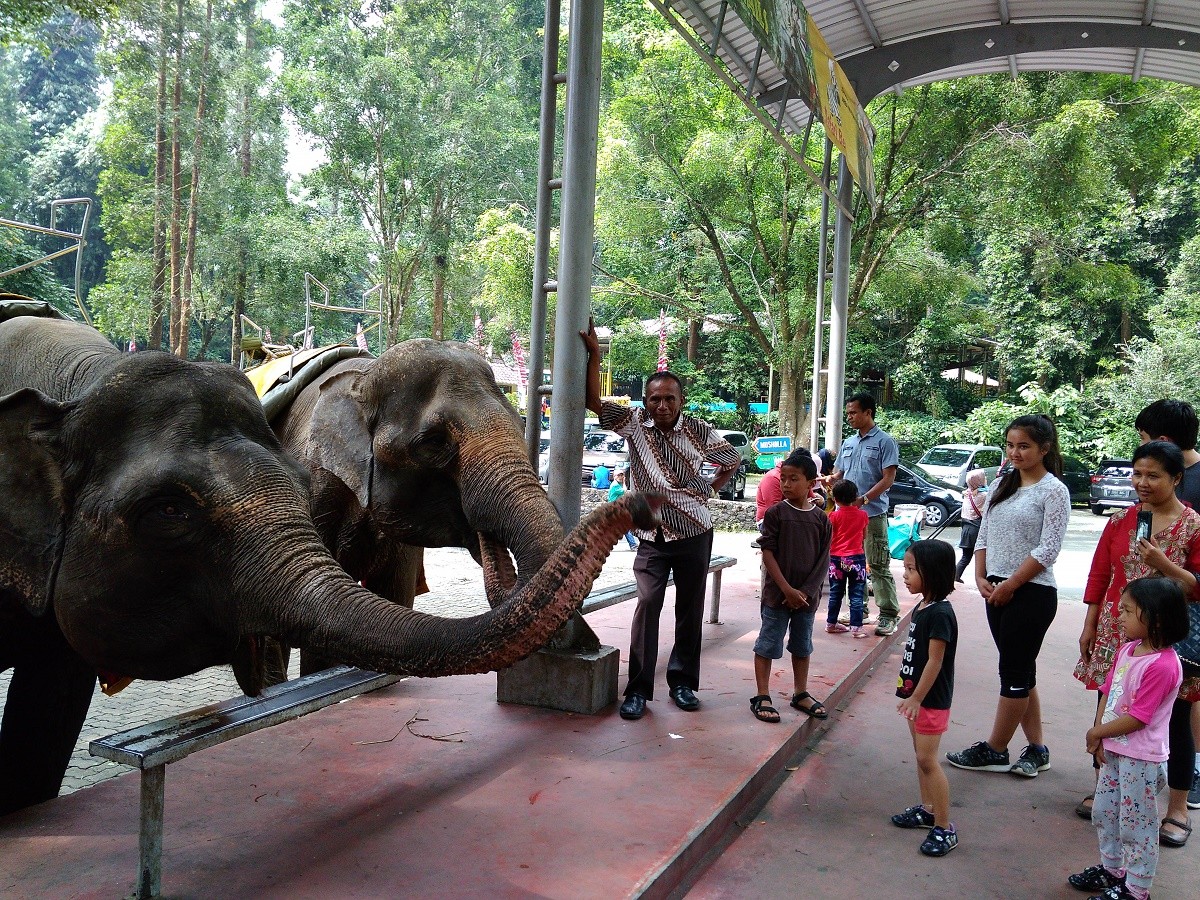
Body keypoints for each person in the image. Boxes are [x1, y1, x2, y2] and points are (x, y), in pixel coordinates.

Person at [581, 321, 740, 720]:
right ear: (646, 401)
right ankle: (637, 691)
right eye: (655, 399)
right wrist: (595, 354)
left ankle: (683, 684)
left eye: (669, 398)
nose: (662, 406)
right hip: (651, 534)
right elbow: (594, 403)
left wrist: (708, 488)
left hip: (694, 531)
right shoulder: (635, 424)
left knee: (690, 608)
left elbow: (733, 460)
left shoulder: (699, 430)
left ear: (681, 400)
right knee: (648, 604)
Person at [1074, 441, 1200, 827]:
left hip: (1168, 636)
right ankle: (1107, 790)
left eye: (1153, 476)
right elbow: (1100, 575)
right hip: (1117, 630)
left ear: (1176, 478)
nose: (1142, 483)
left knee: (1174, 718)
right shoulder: (1119, 521)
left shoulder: (1194, 525)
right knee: (1110, 708)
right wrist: (1091, 623)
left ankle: (1176, 809)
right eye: (1138, 474)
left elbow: (1197, 587)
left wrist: (1164, 565)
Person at [946, 414, 1071, 778]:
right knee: (1022, 670)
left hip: (1031, 593)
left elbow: (1048, 549)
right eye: (1011, 445)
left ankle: (996, 748)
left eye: (1024, 446)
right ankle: (1037, 749)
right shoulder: (1004, 481)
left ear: (1044, 449)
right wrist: (980, 575)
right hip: (994, 589)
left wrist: (1011, 584)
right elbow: (984, 530)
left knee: (1013, 671)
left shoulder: (1054, 491)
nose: (1015, 453)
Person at [1068, 577, 1188, 900]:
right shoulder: (1128, 649)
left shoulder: (1163, 666)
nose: (1119, 616)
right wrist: (1098, 734)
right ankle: (1112, 869)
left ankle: (1137, 888)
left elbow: (1138, 718)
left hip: (1141, 757)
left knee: (1137, 825)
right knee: (1106, 812)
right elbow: (1108, 692)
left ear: (1155, 618)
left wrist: (1097, 733)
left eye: (1127, 611)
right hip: (1116, 749)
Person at [1134, 399, 1200, 826]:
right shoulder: (1141, 501)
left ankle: (1180, 798)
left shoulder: (1189, 508)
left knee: (1180, 703)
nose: (1142, 481)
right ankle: (1127, 789)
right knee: (1130, 699)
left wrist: (1165, 567)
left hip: (1186, 618)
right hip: (1140, 616)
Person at [749, 449, 833, 723]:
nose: (785, 484)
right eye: (783, 478)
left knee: (802, 645)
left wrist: (806, 591)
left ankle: (800, 693)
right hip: (778, 595)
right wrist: (786, 589)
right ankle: (762, 694)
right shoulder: (776, 514)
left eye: (793, 479)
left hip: (806, 600)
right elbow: (768, 553)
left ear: (811, 484)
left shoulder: (821, 519)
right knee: (767, 643)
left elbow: (823, 560)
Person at [892, 539, 959, 858]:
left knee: (927, 760)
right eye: (904, 568)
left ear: (931, 574)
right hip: (915, 697)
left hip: (930, 699)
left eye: (910, 569)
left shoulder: (941, 614)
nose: (904, 575)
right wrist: (908, 693)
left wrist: (917, 697)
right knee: (920, 755)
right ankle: (928, 809)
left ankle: (945, 827)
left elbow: (935, 660)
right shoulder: (923, 606)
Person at [828, 393, 900, 636]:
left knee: (878, 565)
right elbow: (839, 474)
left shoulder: (884, 442)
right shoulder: (848, 443)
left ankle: (888, 615)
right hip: (845, 516)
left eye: (853, 413)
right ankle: (860, 610)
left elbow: (888, 478)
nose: (849, 417)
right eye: (847, 413)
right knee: (849, 562)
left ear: (868, 412)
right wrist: (829, 480)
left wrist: (864, 499)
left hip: (873, 514)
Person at [825, 478, 870, 638]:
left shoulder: (833, 517)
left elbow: (830, 537)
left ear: (835, 498)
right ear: (855, 497)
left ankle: (831, 623)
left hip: (836, 559)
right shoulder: (863, 515)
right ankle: (856, 627)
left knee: (836, 592)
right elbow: (864, 536)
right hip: (857, 559)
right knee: (857, 593)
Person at [955, 469, 987, 582]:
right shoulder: (983, 495)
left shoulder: (967, 494)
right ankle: (986, 579)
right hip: (976, 529)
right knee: (983, 556)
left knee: (966, 556)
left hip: (966, 529)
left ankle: (956, 575)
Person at [607, 468, 638, 550]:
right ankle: (633, 545)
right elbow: (625, 491)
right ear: (614, 476)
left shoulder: (617, 484)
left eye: (622, 475)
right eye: (618, 475)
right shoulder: (615, 485)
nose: (620, 477)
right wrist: (624, 482)